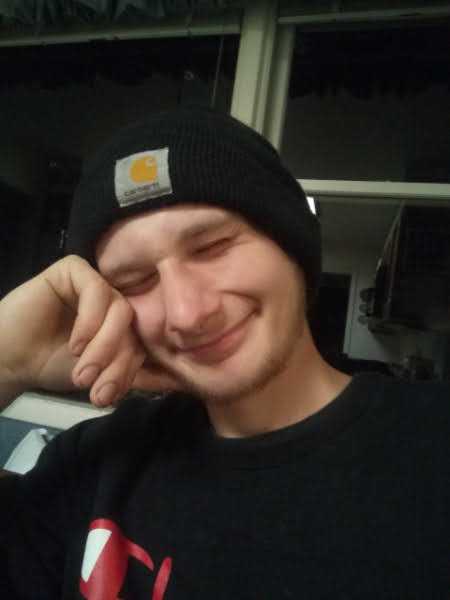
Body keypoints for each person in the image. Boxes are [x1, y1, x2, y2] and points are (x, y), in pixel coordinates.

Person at [0, 108, 449, 599]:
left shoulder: (431, 448)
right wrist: (7, 363)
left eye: (213, 247)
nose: (187, 313)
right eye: (136, 281)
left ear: (291, 244)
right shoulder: (92, 466)